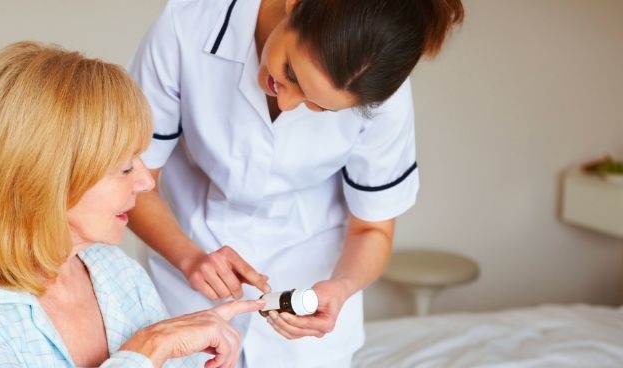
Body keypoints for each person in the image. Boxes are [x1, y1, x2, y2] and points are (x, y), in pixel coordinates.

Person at [126, 0, 464, 366]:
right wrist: (188, 257)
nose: (287, 103)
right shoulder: (187, 27)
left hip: (305, 294)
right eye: (291, 72)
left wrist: (342, 287)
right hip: (184, 280)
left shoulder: (382, 95)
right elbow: (131, 181)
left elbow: (373, 229)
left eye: (319, 107)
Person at [0, 41, 264, 368]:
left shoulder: (116, 272)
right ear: (45, 175)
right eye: (124, 167)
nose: (145, 181)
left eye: (139, 159)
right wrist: (151, 348)